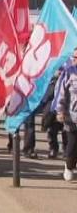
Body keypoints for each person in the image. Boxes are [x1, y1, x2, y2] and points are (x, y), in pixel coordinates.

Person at [56, 48, 77, 181]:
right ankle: (69, 166)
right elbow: (61, 93)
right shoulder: (69, 72)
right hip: (71, 116)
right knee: (73, 144)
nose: (74, 60)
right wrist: (60, 110)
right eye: (74, 57)